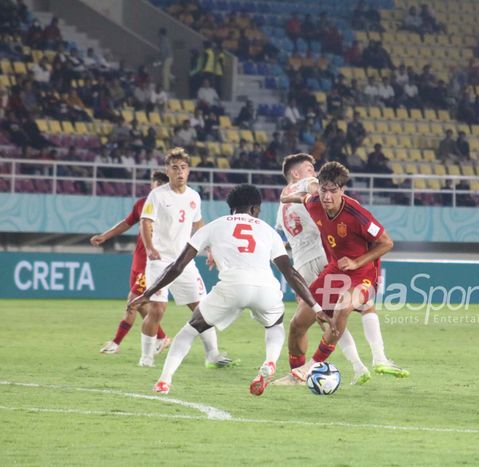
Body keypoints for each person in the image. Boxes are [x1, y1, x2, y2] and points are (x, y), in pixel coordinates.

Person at [131, 184, 322, 396]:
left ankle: (164, 381)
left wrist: (148, 293)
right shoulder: (268, 231)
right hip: (264, 287)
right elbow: (290, 272)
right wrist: (315, 305)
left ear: (231, 207)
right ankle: (269, 361)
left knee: (190, 330)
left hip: (231, 287)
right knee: (275, 324)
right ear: (253, 208)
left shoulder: (213, 227)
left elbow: (177, 266)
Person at [275, 162, 409, 384]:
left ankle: (313, 365)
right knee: (298, 323)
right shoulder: (315, 203)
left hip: (363, 274)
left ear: (342, 190)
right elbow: (303, 198)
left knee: (343, 308)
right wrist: (286, 198)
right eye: (323, 190)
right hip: (334, 270)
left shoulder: (357, 214)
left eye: (333, 190)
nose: (327, 196)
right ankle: (297, 375)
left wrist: (357, 262)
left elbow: (386, 243)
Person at [276, 154, 371, 384]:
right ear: (296, 174)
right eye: (310, 168)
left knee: (316, 319)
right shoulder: (306, 184)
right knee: (336, 315)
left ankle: (300, 372)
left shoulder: (281, 207)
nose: (315, 172)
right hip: (322, 256)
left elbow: (291, 235)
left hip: (303, 263)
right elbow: (316, 186)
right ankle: (361, 364)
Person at [138, 148, 231, 368]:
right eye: (175, 168)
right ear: (167, 171)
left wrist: (209, 250)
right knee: (158, 309)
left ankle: (213, 355)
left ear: (188, 171)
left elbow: (198, 225)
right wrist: (150, 247)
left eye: (183, 168)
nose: (180, 172)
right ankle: (146, 357)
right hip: (160, 261)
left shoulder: (193, 196)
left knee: (202, 308)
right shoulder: (158, 195)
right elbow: (145, 221)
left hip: (183, 262)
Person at [93, 171, 171, 354]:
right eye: (155, 184)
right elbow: (126, 223)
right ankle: (162, 338)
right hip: (138, 261)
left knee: (132, 302)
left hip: (152, 263)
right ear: (152, 186)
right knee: (142, 304)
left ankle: (116, 343)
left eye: (162, 185)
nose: (157, 188)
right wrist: (105, 236)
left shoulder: (171, 207)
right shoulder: (143, 204)